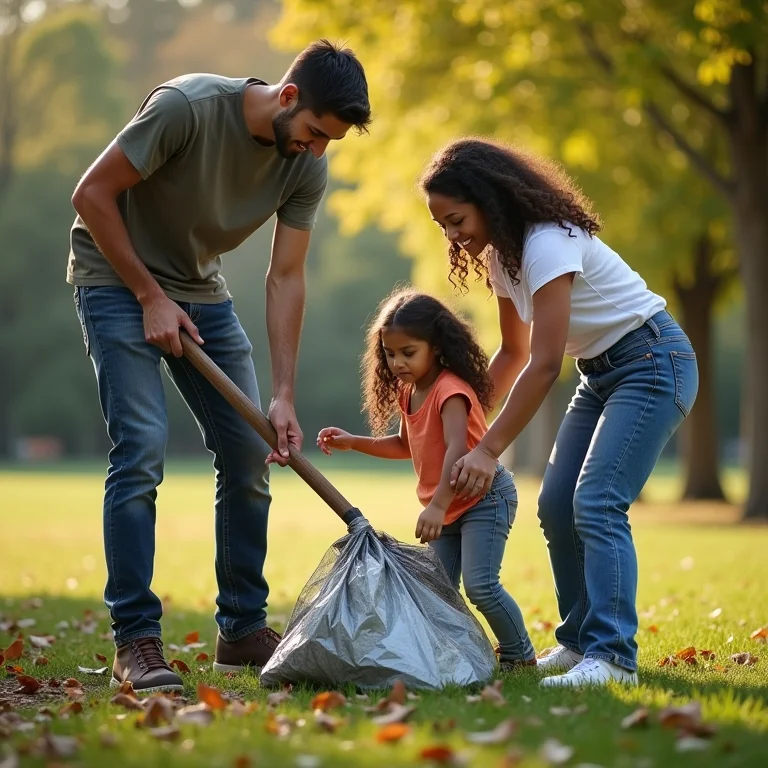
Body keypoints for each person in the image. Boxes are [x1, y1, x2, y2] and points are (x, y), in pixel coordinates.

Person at [67, 40, 371, 693]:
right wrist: (149, 295)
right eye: (316, 132)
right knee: (141, 448)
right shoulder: (187, 107)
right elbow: (90, 194)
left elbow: (286, 277)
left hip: (200, 291)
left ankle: (241, 629)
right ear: (288, 96)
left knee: (249, 454)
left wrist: (283, 394)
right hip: (115, 279)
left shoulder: (305, 167)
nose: (319, 150)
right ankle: (135, 640)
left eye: (331, 141)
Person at [420, 138, 699, 688]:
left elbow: (545, 364)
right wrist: (464, 417)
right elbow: (512, 353)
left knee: (596, 501)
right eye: (442, 226)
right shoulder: (502, 256)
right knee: (555, 504)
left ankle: (613, 657)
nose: (452, 236)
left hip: (652, 361)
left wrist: (488, 449)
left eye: (456, 220)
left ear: (487, 199)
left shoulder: (548, 242)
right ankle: (578, 644)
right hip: (599, 372)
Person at [317, 288, 536, 671]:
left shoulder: (450, 391)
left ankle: (520, 654)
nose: (397, 362)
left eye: (408, 352)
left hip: (483, 497)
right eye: (390, 353)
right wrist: (354, 442)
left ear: (435, 347)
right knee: (437, 591)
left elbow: (456, 450)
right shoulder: (409, 392)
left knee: (481, 585)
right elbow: (405, 444)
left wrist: (436, 506)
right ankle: (452, 658)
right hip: (448, 505)